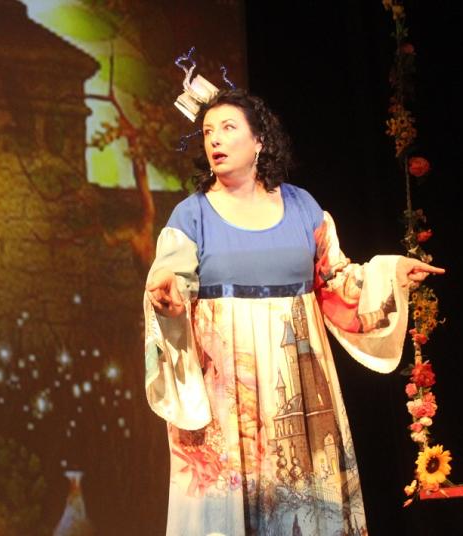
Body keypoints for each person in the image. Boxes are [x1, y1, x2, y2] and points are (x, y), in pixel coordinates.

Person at [143, 88, 444, 535]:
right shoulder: (192, 216)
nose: (215, 140)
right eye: (207, 131)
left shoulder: (303, 208)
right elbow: (170, 278)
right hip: (226, 393)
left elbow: (336, 279)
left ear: (259, 140)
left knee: (302, 499)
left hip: (298, 385)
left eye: (228, 128)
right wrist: (166, 298)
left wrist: (391, 272)